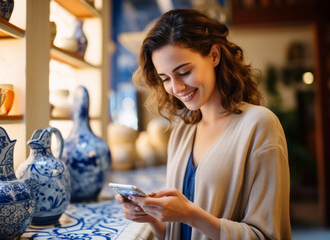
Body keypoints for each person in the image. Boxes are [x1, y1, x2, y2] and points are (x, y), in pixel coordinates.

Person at [114, 9, 291, 240]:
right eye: (165, 78)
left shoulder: (259, 125)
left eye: (184, 72)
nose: (176, 88)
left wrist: (190, 215)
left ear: (214, 55)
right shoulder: (182, 133)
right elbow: (178, 232)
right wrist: (151, 215)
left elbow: (266, 236)